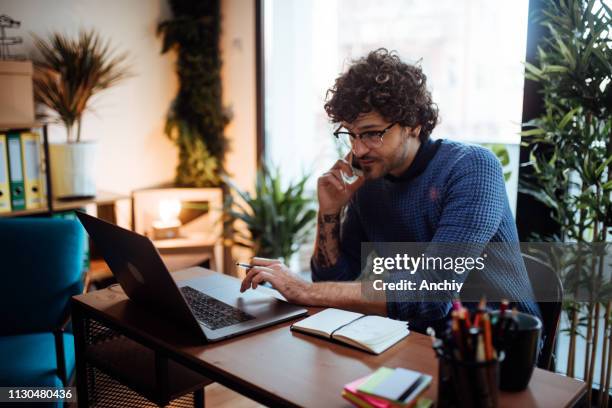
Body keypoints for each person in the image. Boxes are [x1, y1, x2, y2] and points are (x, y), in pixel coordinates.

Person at [240, 48, 540, 333]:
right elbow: (335, 280)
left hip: (500, 342)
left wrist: (303, 289)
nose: (358, 149)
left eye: (371, 134)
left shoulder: (471, 168)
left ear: (414, 124)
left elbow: (430, 293)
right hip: (413, 337)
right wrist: (330, 211)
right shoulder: (369, 181)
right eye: (351, 134)